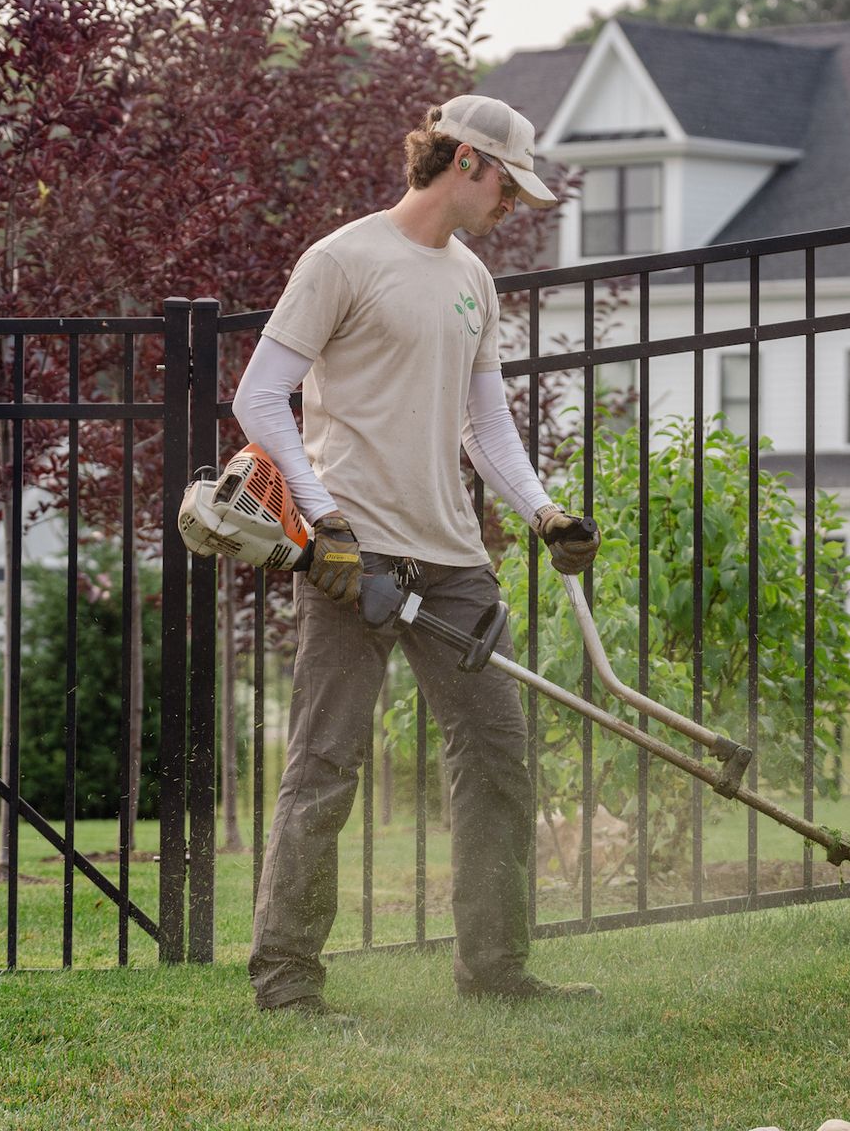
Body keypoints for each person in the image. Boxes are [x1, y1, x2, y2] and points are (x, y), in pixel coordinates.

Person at [233, 93, 602, 1020]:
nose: (512, 205)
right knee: (326, 763)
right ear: (467, 161)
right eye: (508, 185)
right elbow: (260, 398)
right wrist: (324, 528)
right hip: (350, 561)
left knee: (498, 759)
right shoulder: (343, 258)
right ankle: (285, 983)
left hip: (450, 556)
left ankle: (496, 969)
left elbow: (486, 421)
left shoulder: (472, 277)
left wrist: (544, 512)